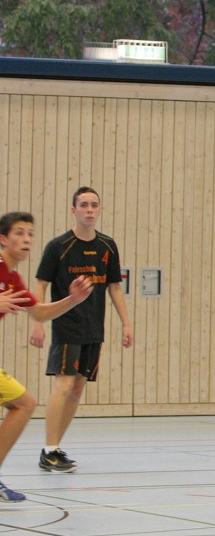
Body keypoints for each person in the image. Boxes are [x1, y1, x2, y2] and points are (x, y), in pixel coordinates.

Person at [30, 187, 133, 472]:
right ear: (73, 210)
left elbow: (114, 286)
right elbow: (40, 284)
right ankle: (48, 450)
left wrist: (126, 322)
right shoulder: (58, 246)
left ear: (99, 210)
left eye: (94, 205)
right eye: (84, 205)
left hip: (93, 327)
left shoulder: (108, 246)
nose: (89, 209)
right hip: (66, 325)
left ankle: (55, 449)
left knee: (77, 388)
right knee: (63, 384)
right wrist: (37, 321)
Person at [0, 212, 92, 500]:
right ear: (3, 239)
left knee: (24, 403)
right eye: (19, 233)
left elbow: (38, 312)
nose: (26, 238)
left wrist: (72, 300)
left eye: (30, 233)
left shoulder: (12, 277)